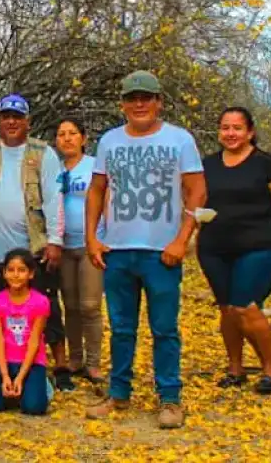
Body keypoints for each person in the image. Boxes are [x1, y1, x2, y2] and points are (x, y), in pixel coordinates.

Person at [85, 70, 207, 429]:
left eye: (147, 97)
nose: (140, 104)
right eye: (132, 98)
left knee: (164, 328)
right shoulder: (109, 141)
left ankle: (170, 398)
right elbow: (96, 190)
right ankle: (118, 392)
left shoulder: (179, 140)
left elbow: (197, 193)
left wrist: (182, 238)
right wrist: (92, 237)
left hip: (162, 252)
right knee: (121, 328)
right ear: (122, 104)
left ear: (159, 102)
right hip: (118, 250)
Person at [0, 94, 74, 392]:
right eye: (6, 116)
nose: (11, 122)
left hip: (35, 249)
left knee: (46, 307)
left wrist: (54, 241)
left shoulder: (43, 153)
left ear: (27, 121)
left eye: (18, 116)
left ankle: (60, 365)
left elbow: (53, 198)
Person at [198, 107, 271, 395]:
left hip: (258, 247)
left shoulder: (266, 164)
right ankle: (235, 369)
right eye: (225, 127)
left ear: (250, 132)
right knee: (228, 309)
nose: (231, 133)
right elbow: (196, 200)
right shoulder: (208, 165)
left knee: (245, 305)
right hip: (214, 248)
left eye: (237, 128)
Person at [55, 118, 104, 384]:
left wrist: (103, 238)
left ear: (83, 138)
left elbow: (107, 200)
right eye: (61, 134)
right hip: (63, 246)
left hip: (90, 244)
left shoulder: (94, 166)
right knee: (71, 306)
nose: (67, 138)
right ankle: (75, 359)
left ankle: (94, 362)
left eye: (73, 133)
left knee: (90, 305)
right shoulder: (53, 169)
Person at [0, 249, 52, 415]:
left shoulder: (40, 302)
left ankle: (41, 385)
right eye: (11, 270)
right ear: (4, 273)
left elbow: (34, 342)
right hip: (4, 361)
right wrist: (5, 375)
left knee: (33, 408)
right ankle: (11, 389)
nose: (16, 275)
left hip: (31, 362)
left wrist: (20, 377)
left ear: (31, 274)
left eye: (22, 270)